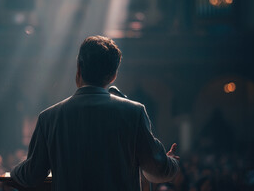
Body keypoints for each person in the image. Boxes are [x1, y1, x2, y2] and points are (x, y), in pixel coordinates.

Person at [11, 35, 179, 191]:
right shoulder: (134, 112)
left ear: (78, 67)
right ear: (113, 75)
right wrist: (169, 161)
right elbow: (157, 171)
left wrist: (13, 171)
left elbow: (32, 175)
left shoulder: (49, 118)